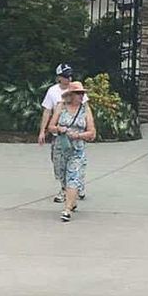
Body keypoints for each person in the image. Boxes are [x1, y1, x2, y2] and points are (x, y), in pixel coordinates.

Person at [39, 64, 88, 202]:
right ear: (59, 77)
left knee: (77, 163)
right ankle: (64, 186)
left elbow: (85, 110)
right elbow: (47, 111)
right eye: (65, 76)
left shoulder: (77, 89)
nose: (69, 78)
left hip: (76, 136)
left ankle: (73, 188)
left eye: (70, 75)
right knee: (59, 164)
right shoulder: (52, 92)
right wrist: (42, 131)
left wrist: (84, 132)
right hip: (59, 136)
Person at [49, 82, 95, 221]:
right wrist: (59, 129)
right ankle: (72, 200)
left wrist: (79, 135)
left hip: (77, 149)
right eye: (78, 93)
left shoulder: (85, 110)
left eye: (83, 93)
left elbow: (92, 132)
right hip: (61, 148)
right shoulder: (61, 107)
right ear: (71, 95)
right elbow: (51, 126)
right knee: (62, 177)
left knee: (73, 178)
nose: (82, 96)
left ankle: (67, 209)